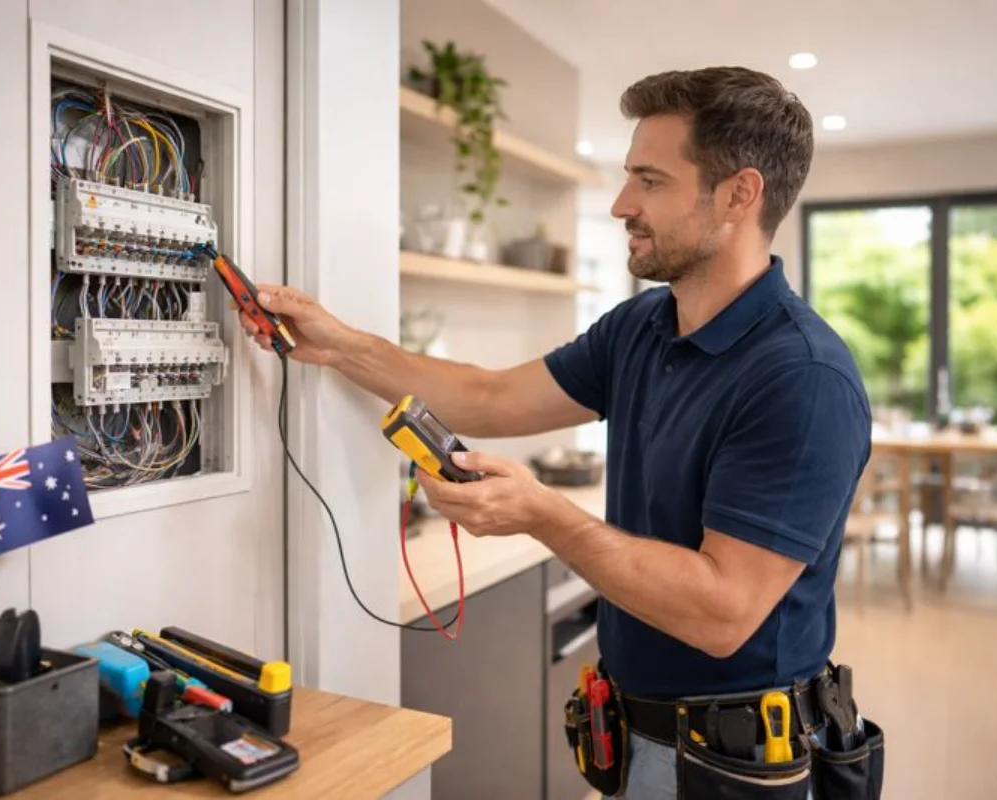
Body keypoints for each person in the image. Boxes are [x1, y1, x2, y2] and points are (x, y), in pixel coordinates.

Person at [241, 66, 872, 798]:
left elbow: (721, 611)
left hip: (738, 763)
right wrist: (341, 344)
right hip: (636, 737)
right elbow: (491, 396)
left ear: (739, 194)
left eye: (650, 180)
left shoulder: (802, 378)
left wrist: (543, 513)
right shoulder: (641, 326)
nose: (621, 204)